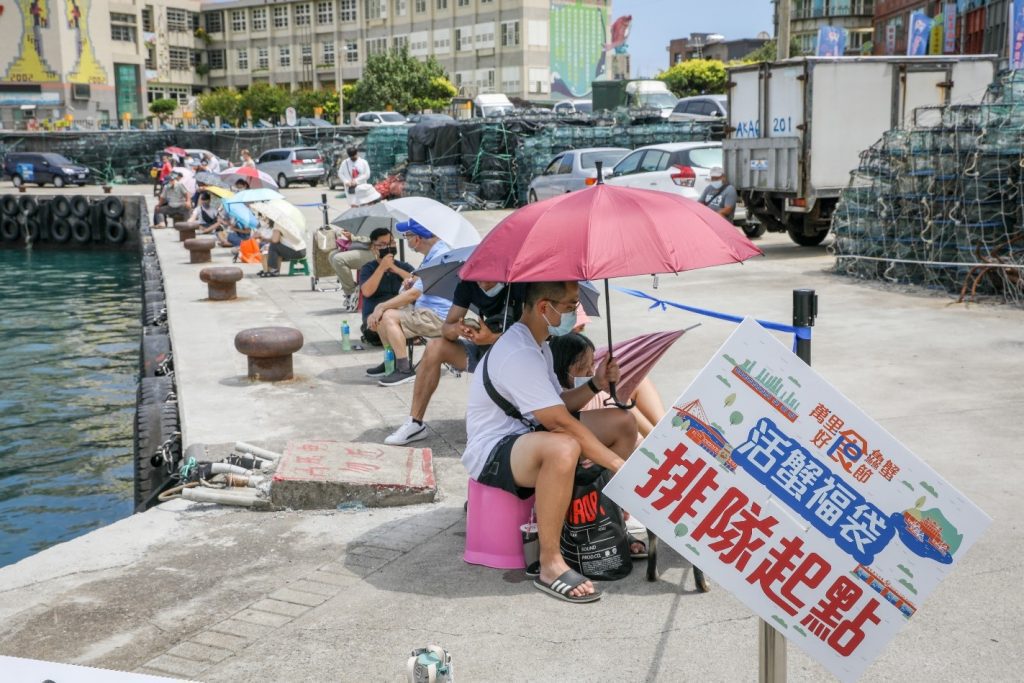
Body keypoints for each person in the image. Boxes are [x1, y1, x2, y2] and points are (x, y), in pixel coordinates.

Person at [463, 281, 637, 603]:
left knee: (622, 423)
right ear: (545, 308)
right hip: (495, 451)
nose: (575, 312)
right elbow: (558, 422)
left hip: (530, 437)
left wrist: (597, 383)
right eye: (571, 306)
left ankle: (610, 524)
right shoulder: (517, 352)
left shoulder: (539, 344)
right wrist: (615, 464)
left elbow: (558, 403)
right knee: (564, 445)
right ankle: (550, 564)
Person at [384, 280, 525, 444]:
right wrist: (457, 329)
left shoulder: (519, 285)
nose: (481, 281)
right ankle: (415, 423)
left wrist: (493, 338)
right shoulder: (468, 284)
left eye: (486, 275)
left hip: (517, 354)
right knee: (435, 346)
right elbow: (446, 329)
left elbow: (532, 334)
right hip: (483, 350)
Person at [364, 220, 451, 386]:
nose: (406, 240)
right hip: (425, 311)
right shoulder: (433, 255)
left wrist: (381, 306)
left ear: (417, 238)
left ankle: (404, 370)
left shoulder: (438, 257)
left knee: (387, 314)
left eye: (407, 236)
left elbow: (413, 295)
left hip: (437, 318)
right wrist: (411, 282)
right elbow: (418, 285)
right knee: (384, 314)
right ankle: (393, 361)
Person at [549, 332, 667, 439]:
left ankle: (663, 433)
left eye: (592, 364)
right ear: (560, 368)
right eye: (582, 367)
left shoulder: (598, 395)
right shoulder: (552, 399)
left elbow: (636, 440)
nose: (590, 372)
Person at [329, 183, 384, 311]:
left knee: (339, 259)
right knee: (332, 255)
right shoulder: (369, 211)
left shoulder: (378, 214)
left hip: (375, 252)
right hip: (366, 248)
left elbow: (372, 238)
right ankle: (350, 288)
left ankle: (351, 292)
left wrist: (352, 237)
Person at [358, 228, 414, 345]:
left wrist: (395, 269)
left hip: (400, 313)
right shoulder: (368, 269)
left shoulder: (403, 266)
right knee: (377, 326)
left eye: (391, 243)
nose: (388, 247)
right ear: (373, 247)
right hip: (374, 315)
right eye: (382, 245)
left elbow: (419, 282)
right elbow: (367, 292)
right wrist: (382, 267)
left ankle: (398, 336)